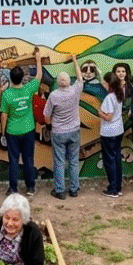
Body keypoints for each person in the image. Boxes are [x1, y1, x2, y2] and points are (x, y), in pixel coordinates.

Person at [1, 48, 44, 196]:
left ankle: (13, 188)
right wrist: (38, 60)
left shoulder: (7, 94)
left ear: (11, 79)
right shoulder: (28, 89)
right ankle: (30, 187)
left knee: (13, 160)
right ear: (22, 78)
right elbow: (39, 76)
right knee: (28, 159)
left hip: (12, 131)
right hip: (28, 130)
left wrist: (2, 132)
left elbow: (4, 116)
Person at [44, 54, 82, 200]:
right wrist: (74, 60)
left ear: (58, 82)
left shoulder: (53, 95)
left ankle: (59, 191)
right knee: (73, 161)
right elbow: (80, 78)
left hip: (58, 132)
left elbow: (47, 115)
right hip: (74, 130)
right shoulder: (75, 91)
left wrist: (49, 126)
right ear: (68, 81)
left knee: (59, 161)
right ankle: (74, 189)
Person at [99, 72, 126, 198]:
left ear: (108, 83)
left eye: (104, 81)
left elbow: (108, 117)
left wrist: (100, 113)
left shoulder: (109, 98)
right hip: (118, 129)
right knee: (116, 159)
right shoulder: (119, 93)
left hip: (109, 132)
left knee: (109, 160)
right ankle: (118, 187)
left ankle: (113, 188)